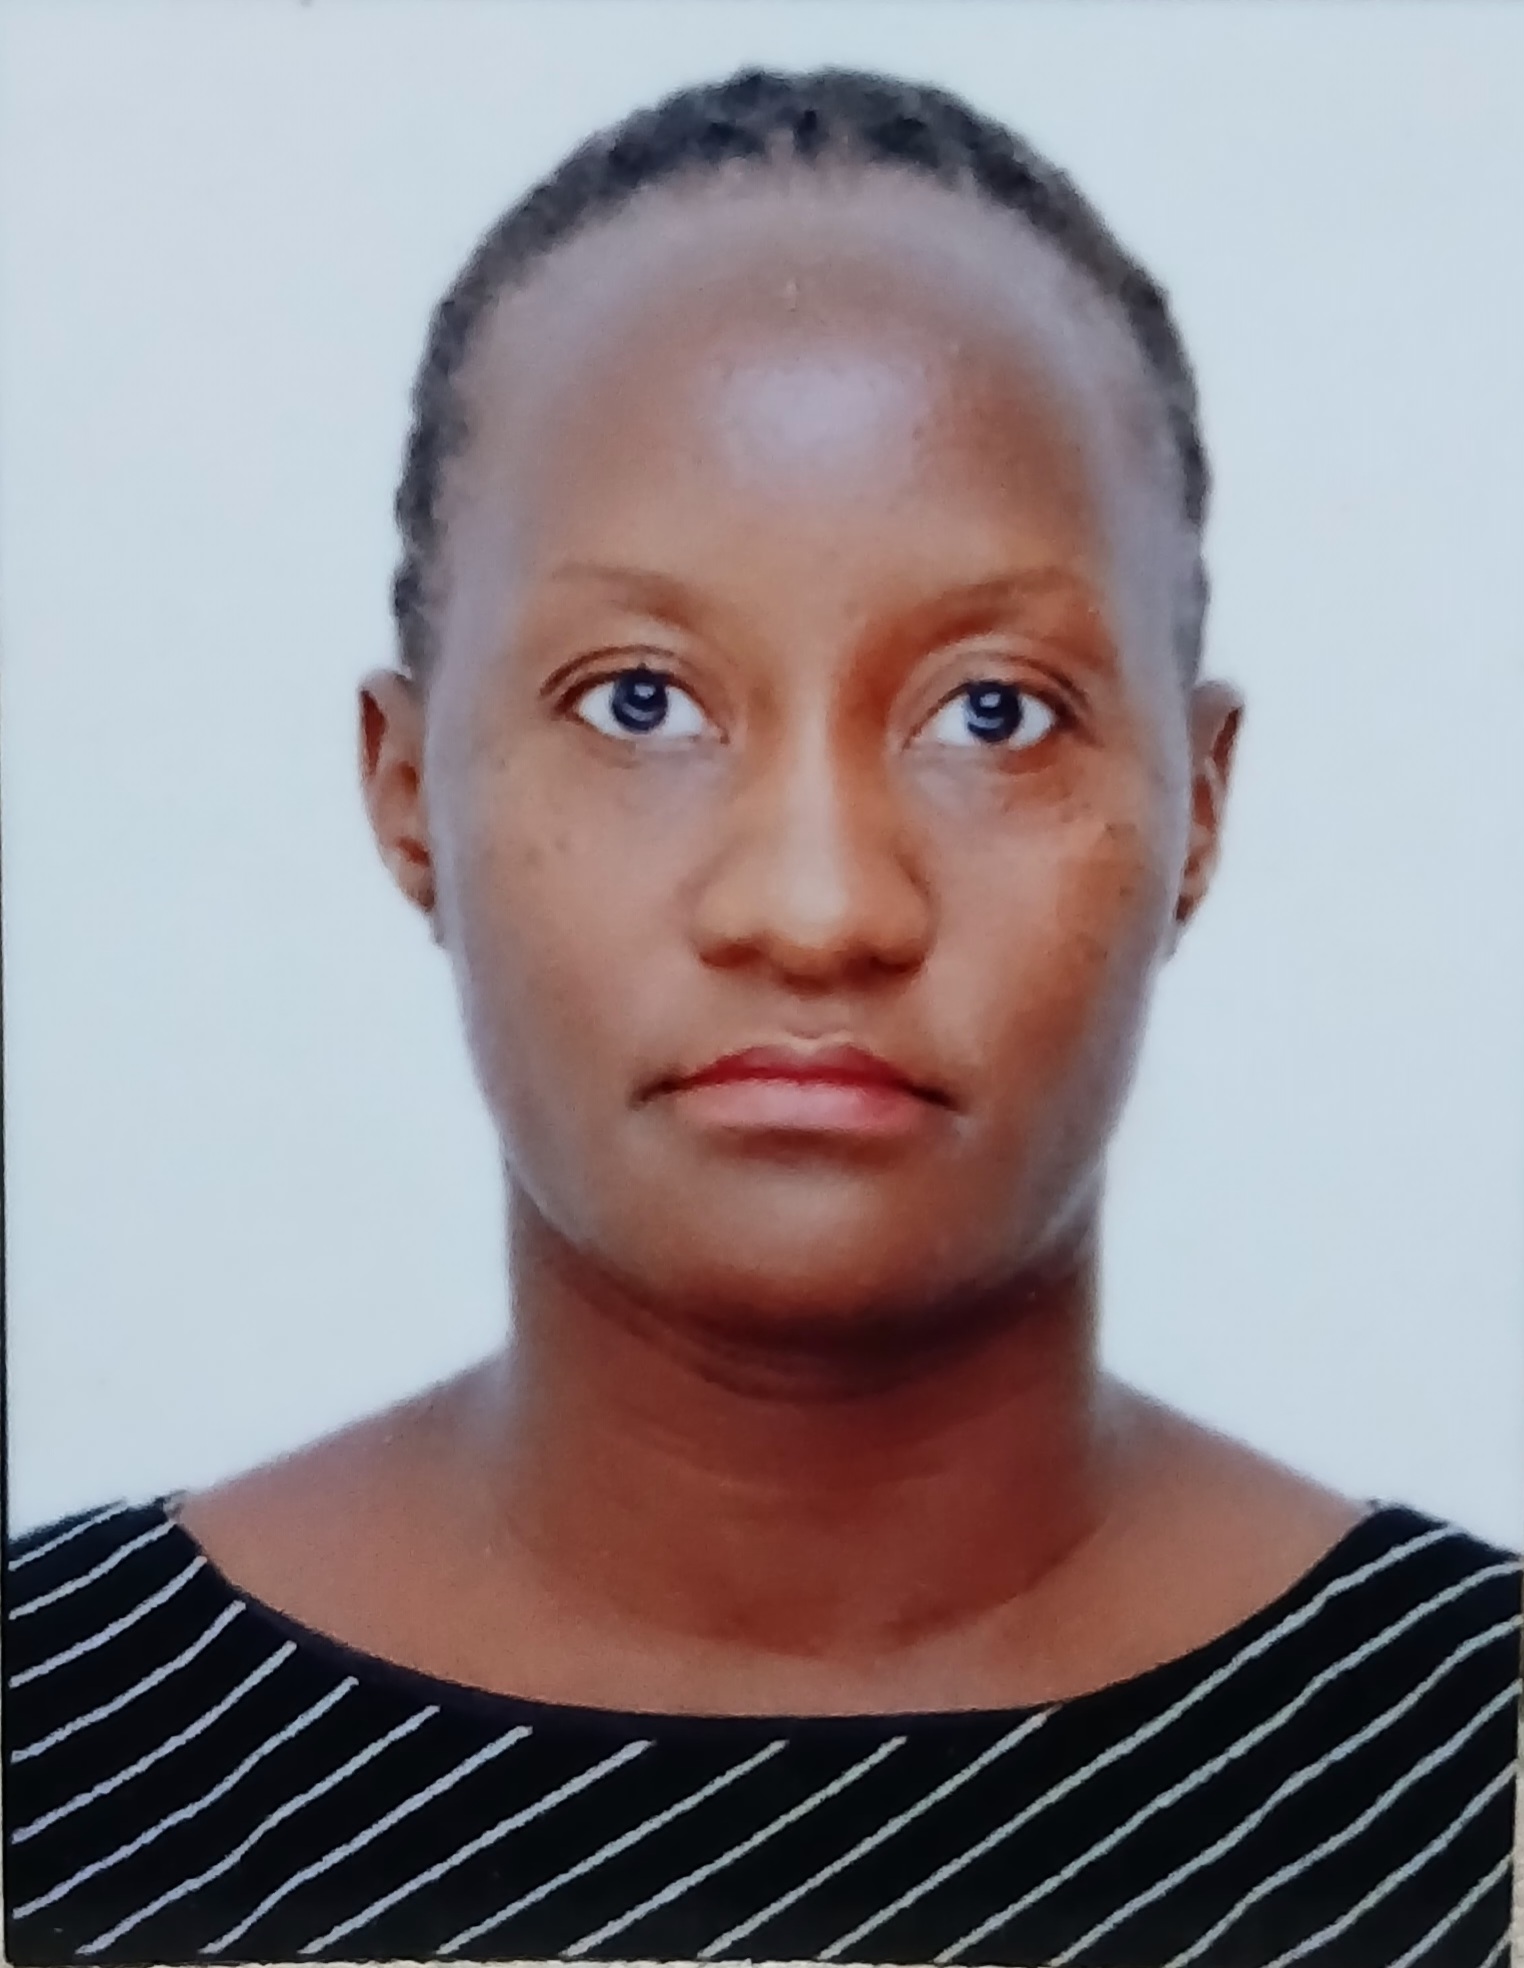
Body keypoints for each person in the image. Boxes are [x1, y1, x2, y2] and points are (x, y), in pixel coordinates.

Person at [4, 66, 1518, 1968]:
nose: (819, 909)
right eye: (640, 701)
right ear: (405, 791)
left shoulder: (1480, 1774)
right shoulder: (52, 1757)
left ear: (1200, 808)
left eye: (994, 711)